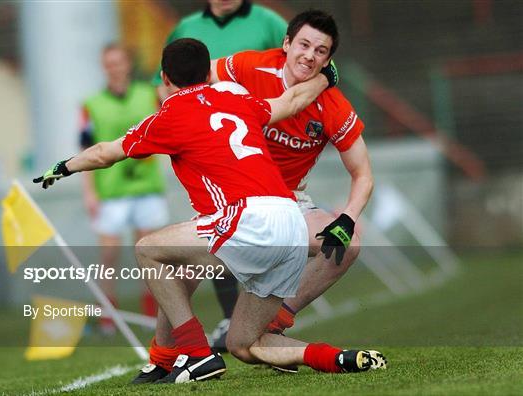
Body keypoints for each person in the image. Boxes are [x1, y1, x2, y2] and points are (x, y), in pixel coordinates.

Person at [34, 38, 386, 384]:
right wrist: (326, 77)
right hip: (290, 220)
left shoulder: (168, 115)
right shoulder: (234, 95)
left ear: (165, 79)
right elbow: (288, 102)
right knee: (244, 343)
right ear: (207, 72)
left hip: (245, 218)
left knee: (148, 250)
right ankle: (335, 357)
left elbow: (104, 153)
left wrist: (64, 167)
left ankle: (196, 353)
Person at [141, 9, 376, 379]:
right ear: (286, 44)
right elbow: (193, 79)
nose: (309, 56)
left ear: (329, 61)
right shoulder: (251, 68)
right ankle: (162, 357)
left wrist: (347, 218)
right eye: (303, 45)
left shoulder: (333, 105)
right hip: (235, 200)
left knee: (350, 243)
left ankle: (277, 318)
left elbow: (362, 173)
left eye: (320, 51)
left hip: (289, 203)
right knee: (177, 267)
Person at [153, 1, 288, 345]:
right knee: (217, 230)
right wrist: (178, 116)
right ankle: (236, 321)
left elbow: (292, 71)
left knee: (220, 235)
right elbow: (161, 84)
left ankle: (267, 320)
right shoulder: (185, 29)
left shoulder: (269, 22)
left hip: (263, 140)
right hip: (209, 147)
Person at [79, 44, 168, 332]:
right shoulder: (91, 104)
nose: (114, 68)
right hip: (111, 191)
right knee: (108, 255)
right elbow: (84, 148)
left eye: (118, 62)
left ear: (128, 64)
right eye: (108, 64)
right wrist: (89, 191)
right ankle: (109, 314)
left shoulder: (148, 94)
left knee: (148, 251)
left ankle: (152, 310)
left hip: (146, 187)